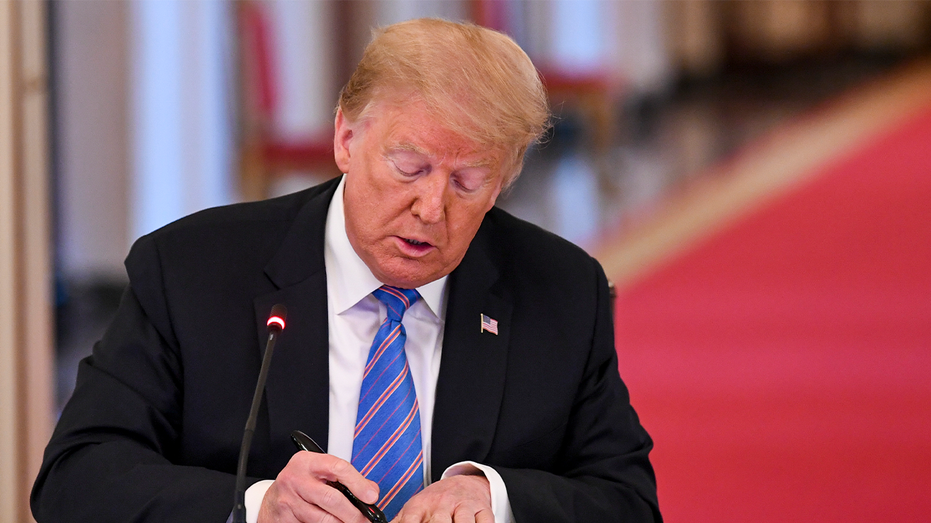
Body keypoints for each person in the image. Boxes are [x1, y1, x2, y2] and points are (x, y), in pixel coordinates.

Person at [32, 18, 660, 523]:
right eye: (409, 168)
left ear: (504, 182)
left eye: (468, 182)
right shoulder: (192, 272)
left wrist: (497, 500)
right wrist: (255, 506)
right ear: (345, 139)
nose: (432, 208)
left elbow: (628, 501)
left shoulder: (560, 291)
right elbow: (76, 479)